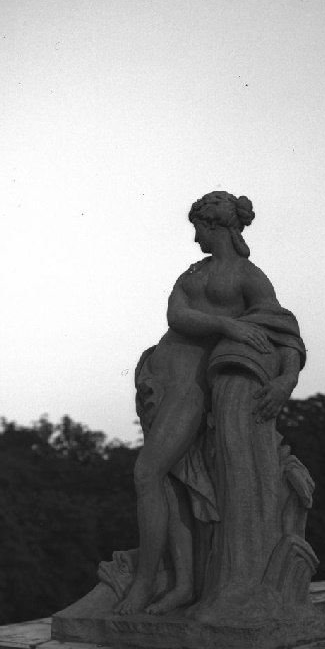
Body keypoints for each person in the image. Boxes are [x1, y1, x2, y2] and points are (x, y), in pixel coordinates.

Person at [116, 191, 306, 616]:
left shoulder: (248, 275)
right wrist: (227, 325)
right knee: (172, 482)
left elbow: (284, 331)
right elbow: (176, 316)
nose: (195, 238)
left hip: (192, 386)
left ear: (214, 225)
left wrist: (286, 379)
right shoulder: (193, 272)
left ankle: (144, 584)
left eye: (198, 228)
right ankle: (183, 584)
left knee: (147, 472)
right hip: (159, 381)